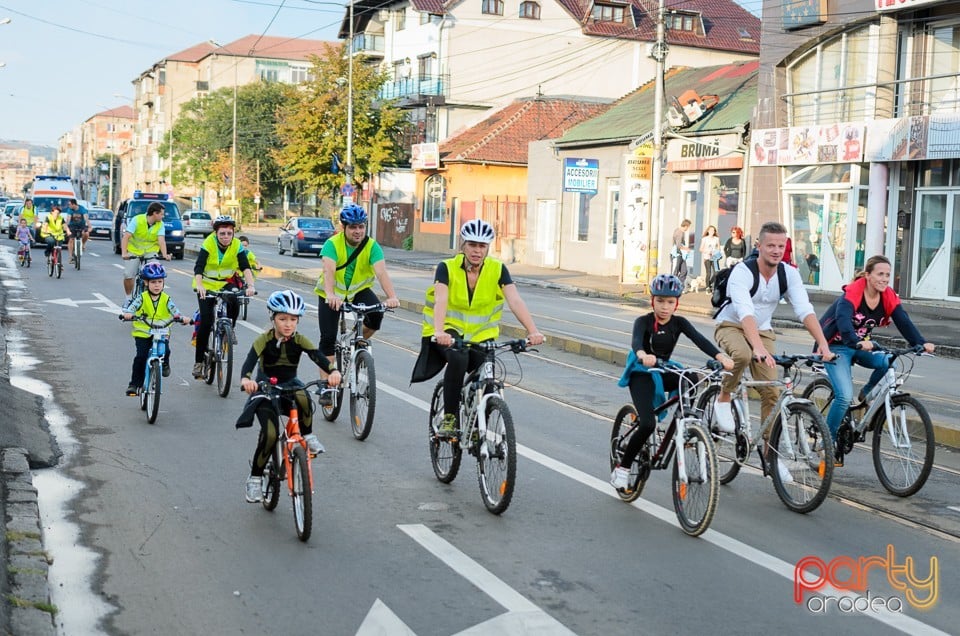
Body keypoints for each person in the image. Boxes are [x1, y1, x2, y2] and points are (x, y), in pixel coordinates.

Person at [712, 221, 836, 482]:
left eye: (781, 245)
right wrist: (756, 347)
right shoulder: (743, 272)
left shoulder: (788, 274)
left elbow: (804, 309)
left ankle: (771, 455)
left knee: (772, 391)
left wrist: (823, 344)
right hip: (731, 324)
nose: (776, 250)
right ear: (759, 246)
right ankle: (723, 397)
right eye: (770, 245)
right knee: (743, 356)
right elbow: (745, 311)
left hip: (763, 330)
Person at [410, 219, 545, 438]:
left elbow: (515, 300)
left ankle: (477, 423)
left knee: (488, 372)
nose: (477, 250)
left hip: (482, 335)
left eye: (482, 246)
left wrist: (532, 331)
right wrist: (439, 331)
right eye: (472, 245)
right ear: (463, 245)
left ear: (488, 248)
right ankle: (450, 418)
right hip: (448, 331)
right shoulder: (447, 267)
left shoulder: (498, 269)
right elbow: (441, 300)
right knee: (458, 357)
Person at [610, 274, 733, 490]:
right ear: (652, 301)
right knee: (648, 423)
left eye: (670, 302)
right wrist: (642, 354)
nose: (665, 307)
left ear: (677, 303)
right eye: (660, 301)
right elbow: (636, 341)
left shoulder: (679, 323)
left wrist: (720, 356)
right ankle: (623, 468)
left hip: (664, 368)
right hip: (642, 372)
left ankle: (685, 424)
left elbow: (700, 339)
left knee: (691, 379)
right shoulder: (644, 321)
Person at [817, 255, 935, 461]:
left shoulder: (887, 295)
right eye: (880, 274)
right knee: (844, 396)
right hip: (836, 346)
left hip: (862, 345)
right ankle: (827, 439)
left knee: (889, 362)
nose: (884, 279)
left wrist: (920, 343)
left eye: (888, 275)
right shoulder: (854, 292)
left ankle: (866, 394)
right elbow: (843, 320)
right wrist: (854, 340)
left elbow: (903, 321)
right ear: (868, 275)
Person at [236, 290, 342, 503]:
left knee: (303, 395)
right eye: (282, 319)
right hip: (265, 389)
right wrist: (247, 380)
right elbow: (248, 363)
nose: (288, 324)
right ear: (272, 318)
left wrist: (332, 371)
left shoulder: (300, 340)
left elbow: (318, 356)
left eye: (293, 320)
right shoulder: (263, 340)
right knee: (271, 433)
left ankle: (308, 436)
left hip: (289, 385)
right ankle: (255, 479)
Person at [314, 203, 400, 367]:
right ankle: (328, 386)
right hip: (331, 295)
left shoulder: (372, 246)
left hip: (358, 292)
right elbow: (328, 271)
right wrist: (331, 295)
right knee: (328, 339)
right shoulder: (332, 244)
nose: (358, 231)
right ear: (343, 227)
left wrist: (392, 297)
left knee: (376, 315)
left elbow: (381, 272)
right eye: (353, 227)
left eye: (361, 227)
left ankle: (357, 341)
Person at [192, 215, 256, 378]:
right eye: (222, 233)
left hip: (226, 283)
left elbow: (245, 267)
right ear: (216, 233)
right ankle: (199, 363)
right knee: (206, 322)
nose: (226, 237)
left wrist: (251, 286)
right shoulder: (209, 243)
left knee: (235, 299)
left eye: (229, 233)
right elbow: (199, 267)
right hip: (206, 284)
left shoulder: (236, 245)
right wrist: (200, 286)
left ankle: (230, 329)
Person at [120, 263, 190, 396]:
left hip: (162, 331)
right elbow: (131, 309)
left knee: (166, 350)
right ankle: (134, 384)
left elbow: (175, 311)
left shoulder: (166, 299)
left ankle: (164, 364)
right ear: (146, 283)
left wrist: (182, 318)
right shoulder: (141, 298)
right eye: (153, 282)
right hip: (143, 332)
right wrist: (127, 314)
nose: (157, 285)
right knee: (141, 357)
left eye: (160, 281)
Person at [121, 201, 172, 299]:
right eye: (161, 214)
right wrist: (124, 253)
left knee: (156, 272)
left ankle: (152, 298)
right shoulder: (137, 220)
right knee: (128, 275)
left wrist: (165, 254)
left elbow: (161, 240)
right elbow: (126, 237)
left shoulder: (160, 224)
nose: (163, 216)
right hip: (134, 251)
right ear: (154, 213)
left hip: (150, 252)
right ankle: (128, 298)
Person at [671, 219, 693, 288]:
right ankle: (672, 287)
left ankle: (679, 286)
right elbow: (678, 245)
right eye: (688, 227)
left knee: (684, 271)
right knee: (676, 271)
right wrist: (687, 249)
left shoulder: (679, 231)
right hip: (677, 254)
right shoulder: (679, 232)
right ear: (686, 226)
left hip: (681, 255)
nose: (688, 228)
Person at [699, 225, 721, 292]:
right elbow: (700, 249)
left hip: (714, 258)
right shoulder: (705, 239)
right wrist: (707, 252)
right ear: (708, 231)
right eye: (711, 230)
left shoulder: (716, 239)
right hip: (707, 258)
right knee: (708, 273)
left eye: (713, 230)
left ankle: (709, 283)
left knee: (716, 273)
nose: (712, 231)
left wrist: (717, 252)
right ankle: (708, 287)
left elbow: (719, 248)